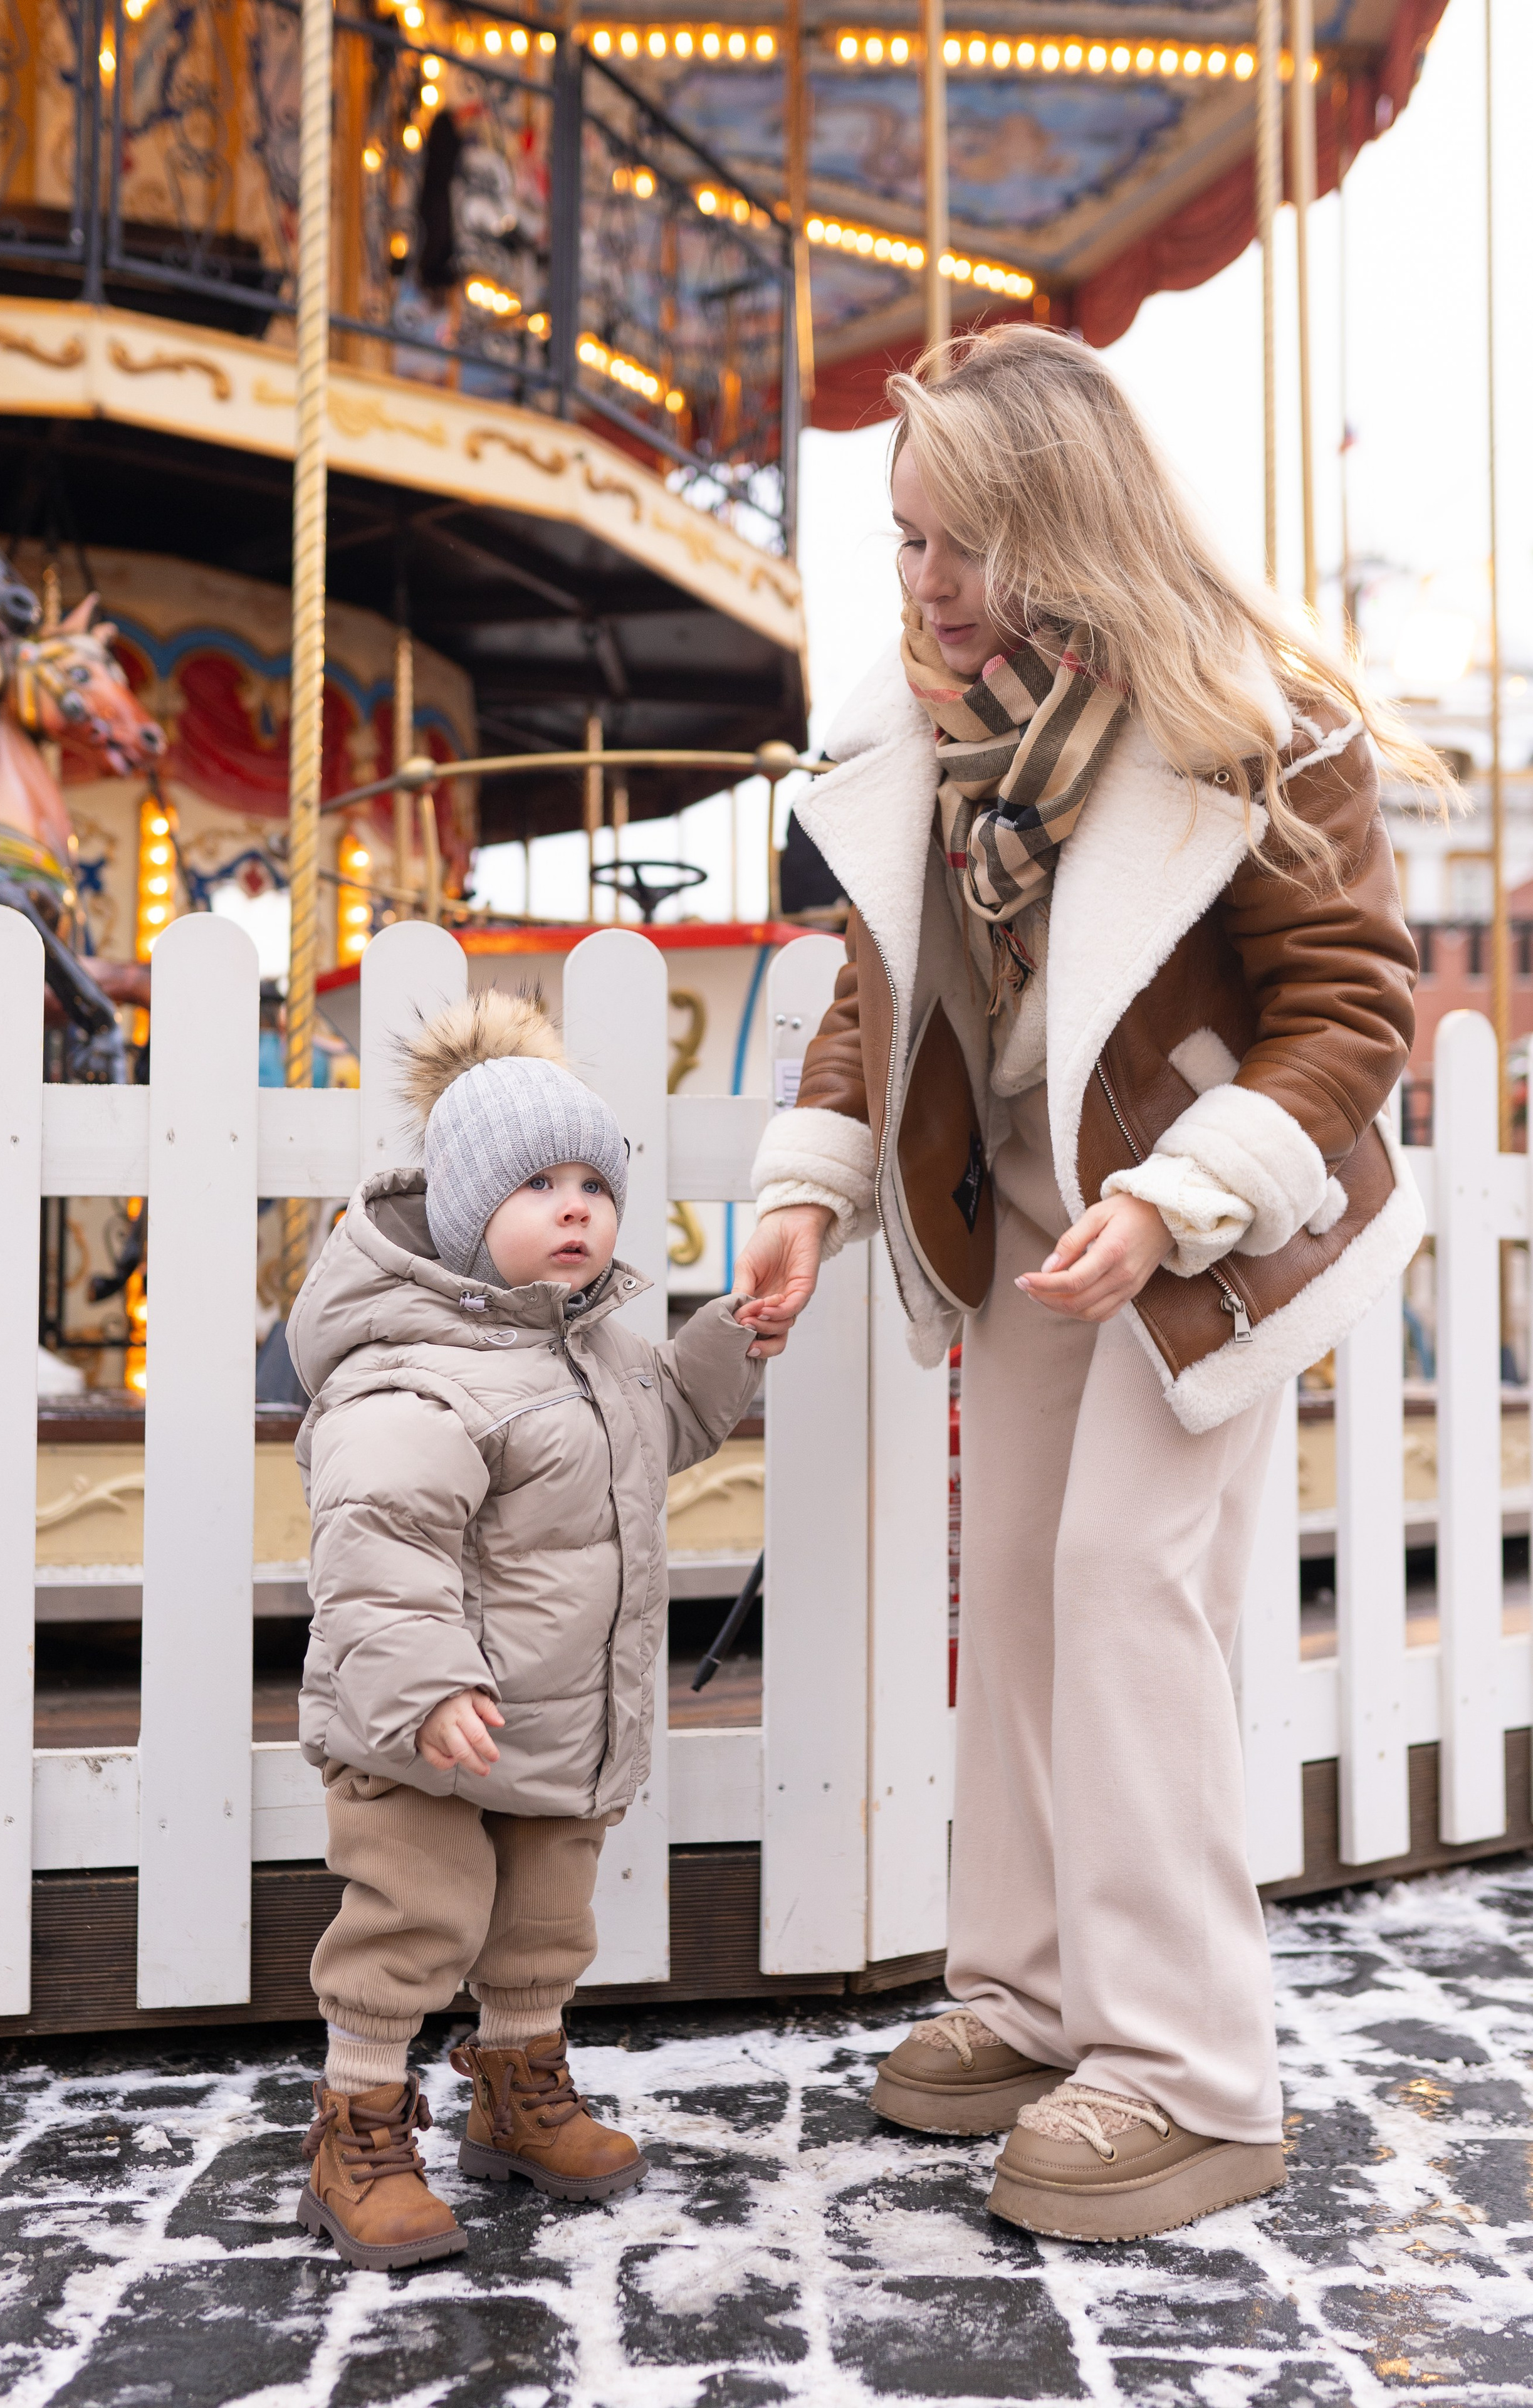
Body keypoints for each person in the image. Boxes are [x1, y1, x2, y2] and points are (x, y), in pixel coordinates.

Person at [736, 325, 1442, 2244]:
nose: (929, 588)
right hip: (1041, 1213)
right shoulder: (930, 732)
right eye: (904, 543)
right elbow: (886, 1000)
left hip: (1214, 1226)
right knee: (1023, 1589)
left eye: (962, 544)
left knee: (1130, 1587)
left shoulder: (1249, 717)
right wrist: (814, 1189)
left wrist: (1184, 1198)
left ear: (1064, 526)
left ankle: (1192, 2073)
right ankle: (1036, 1994)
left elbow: (1353, 1009)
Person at [288, 991, 760, 2270]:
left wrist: (724, 1343)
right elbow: (378, 1547)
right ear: (459, 1213)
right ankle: (360, 2122)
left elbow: (653, 1435)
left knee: (543, 1922)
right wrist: (431, 1683)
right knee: (410, 1919)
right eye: (536, 1185)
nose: (575, 1209)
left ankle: (516, 2086)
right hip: (422, 1725)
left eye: (592, 1185)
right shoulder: (409, 1368)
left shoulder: (593, 1346)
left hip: (553, 1715)